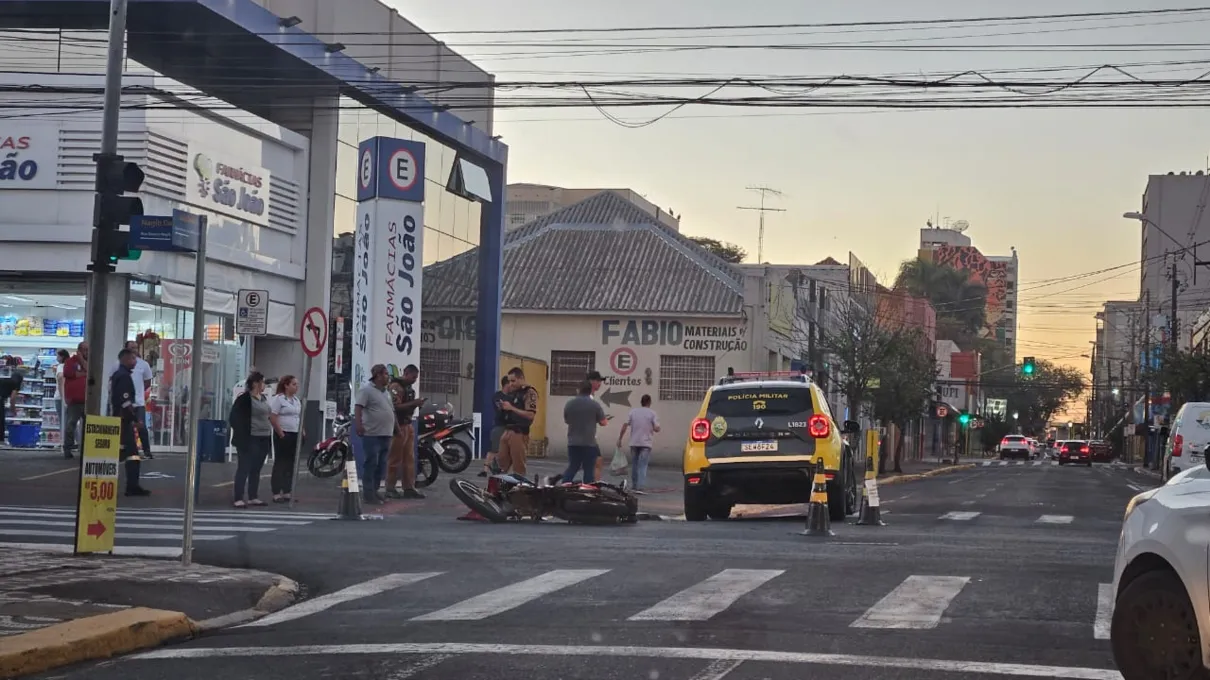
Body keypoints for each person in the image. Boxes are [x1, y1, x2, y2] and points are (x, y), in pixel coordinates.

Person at [228, 371, 272, 508]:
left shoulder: (263, 398)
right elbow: (234, 418)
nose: (264, 385)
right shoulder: (245, 399)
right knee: (244, 467)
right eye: (262, 382)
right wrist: (242, 434)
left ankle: (253, 496)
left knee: (256, 468)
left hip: (263, 437)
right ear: (255, 383)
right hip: (250, 438)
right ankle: (238, 497)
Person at [110, 349, 149, 496]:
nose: (135, 361)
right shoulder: (124, 377)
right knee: (132, 453)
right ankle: (132, 486)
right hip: (123, 420)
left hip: (121, 419)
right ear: (125, 359)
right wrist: (135, 419)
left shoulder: (118, 375)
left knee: (128, 453)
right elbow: (125, 403)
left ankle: (133, 485)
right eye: (133, 358)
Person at [355, 363, 395, 505]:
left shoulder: (386, 392)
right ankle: (368, 493)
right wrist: (359, 425)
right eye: (385, 374)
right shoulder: (366, 390)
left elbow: (391, 410)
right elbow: (358, 407)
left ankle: (376, 490)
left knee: (382, 464)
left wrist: (396, 428)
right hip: (372, 433)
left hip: (386, 432)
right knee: (372, 462)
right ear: (377, 375)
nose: (387, 377)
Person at [385, 365, 426, 500]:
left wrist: (415, 404)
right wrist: (414, 403)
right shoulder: (396, 387)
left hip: (408, 425)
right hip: (398, 426)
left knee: (409, 459)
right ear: (406, 373)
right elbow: (394, 407)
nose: (414, 380)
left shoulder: (408, 389)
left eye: (416, 377)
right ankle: (390, 488)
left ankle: (409, 487)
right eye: (413, 377)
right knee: (395, 458)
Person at [109, 340, 154, 460]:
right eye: (132, 348)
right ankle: (124, 453)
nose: (135, 350)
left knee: (141, 428)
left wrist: (137, 393)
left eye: (136, 347)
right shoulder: (120, 369)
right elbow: (114, 384)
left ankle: (145, 451)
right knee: (124, 430)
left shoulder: (143, 365)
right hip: (124, 405)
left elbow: (147, 381)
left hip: (137, 402)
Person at [561, 380, 608, 483]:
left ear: (578, 390)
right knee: (589, 469)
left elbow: (567, 420)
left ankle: (563, 488)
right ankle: (587, 491)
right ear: (590, 391)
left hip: (573, 442)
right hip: (589, 443)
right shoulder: (595, 405)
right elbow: (603, 422)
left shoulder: (570, 404)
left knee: (573, 467)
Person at [497, 366, 538, 476]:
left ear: (521, 378)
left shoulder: (529, 392)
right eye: (509, 381)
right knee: (500, 463)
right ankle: (499, 487)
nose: (511, 384)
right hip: (507, 430)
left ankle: (518, 489)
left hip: (519, 432)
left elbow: (530, 415)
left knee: (518, 467)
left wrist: (511, 408)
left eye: (513, 381)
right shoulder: (513, 393)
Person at [269, 375, 303, 503]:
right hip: (283, 433)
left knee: (291, 463)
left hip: (295, 433)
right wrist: (281, 433)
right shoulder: (279, 399)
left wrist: (302, 430)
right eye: (294, 384)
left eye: (297, 384)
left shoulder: (296, 400)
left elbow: (298, 416)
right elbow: (273, 417)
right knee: (281, 462)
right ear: (286, 385)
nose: (296, 387)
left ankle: (287, 490)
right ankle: (276, 491)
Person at [617, 394, 661, 490]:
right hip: (646, 443)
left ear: (641, 402)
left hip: (634, 442)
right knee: (643, 465)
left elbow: (625, 425)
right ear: (649, 402)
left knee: (635, 465)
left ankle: (634, 486)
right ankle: (640, 487)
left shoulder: (633, 412)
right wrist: (654, 428)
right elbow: (657, 428)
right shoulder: (652, 413)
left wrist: (620, 439)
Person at [61, 341, 88, 459]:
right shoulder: (70, 362)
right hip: (74, 399)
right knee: (71, 424)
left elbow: (90, 372)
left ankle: (87, 448)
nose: (87, 352)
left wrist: (82, 369)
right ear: (79, 351)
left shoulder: (91, 361)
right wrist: (84, 372)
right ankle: (68, 448)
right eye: (85, 350)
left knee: (89, 425)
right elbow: (69, 373)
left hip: (89, 400)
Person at [480, 375, 511, 477]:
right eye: (511, 382)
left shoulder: (513, 396)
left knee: (508, 450)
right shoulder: (498, 396)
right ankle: (485, 470)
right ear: (506, 384)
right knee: (494, 449)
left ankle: (501, 469)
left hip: (511, 426)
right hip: (500, 425)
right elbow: (500, 408)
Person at [0, 357, 23, 446]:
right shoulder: (16, 384)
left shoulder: (7, 381)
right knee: (1, 420)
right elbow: (13, 398)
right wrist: (13, 411)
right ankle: (1, 441)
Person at [53, 349, 68, 444]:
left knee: (63, 420)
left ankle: (64, 441)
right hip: (66, 396)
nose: (56, 358)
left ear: (62, 357)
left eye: (57, 356)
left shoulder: (61, 366)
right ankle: (68, 441)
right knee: (66, 420)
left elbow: (60, 378)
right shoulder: (68, 366)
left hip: (60, 397)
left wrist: (63, 397)